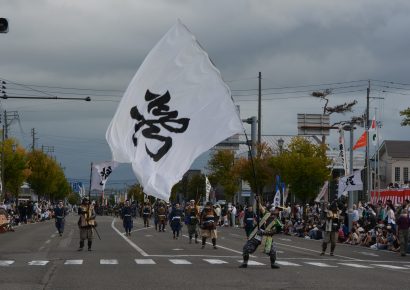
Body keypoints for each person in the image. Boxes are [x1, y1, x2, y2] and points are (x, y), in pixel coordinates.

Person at [239, 204, 281, 269]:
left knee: (272, 251)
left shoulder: (278, 221)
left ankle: (273, 264)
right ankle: (245, 262)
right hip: (258, 235)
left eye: (278, 210)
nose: (276, 211)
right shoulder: (267, 214)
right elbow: (261, 208)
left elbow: (275, 231)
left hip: (267, 236)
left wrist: (264, 232)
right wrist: (258, 198)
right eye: (276, 209)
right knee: (246, 248)